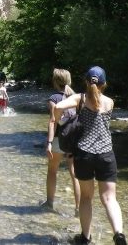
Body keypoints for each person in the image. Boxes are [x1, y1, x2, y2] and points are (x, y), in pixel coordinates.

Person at [54, 66, 127, 245]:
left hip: (84, 154)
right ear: (104, 84)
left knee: (86, 198)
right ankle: (119, 235)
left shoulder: (80, 99)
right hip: (106, 154)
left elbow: (58, 106)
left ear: (86, 82)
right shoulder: (110, 102)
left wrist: (59, 121)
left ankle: (85, 238)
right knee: (110, 198)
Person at [42, 68, 80, 215]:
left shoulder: (54, 99)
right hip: (74, 139)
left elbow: (53, 121)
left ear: (55, 81)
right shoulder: (75, 97)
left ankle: (49, 203)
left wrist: (49, 142)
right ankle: (78, 208)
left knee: (52, 171)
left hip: (59, 138)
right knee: (75, 174)